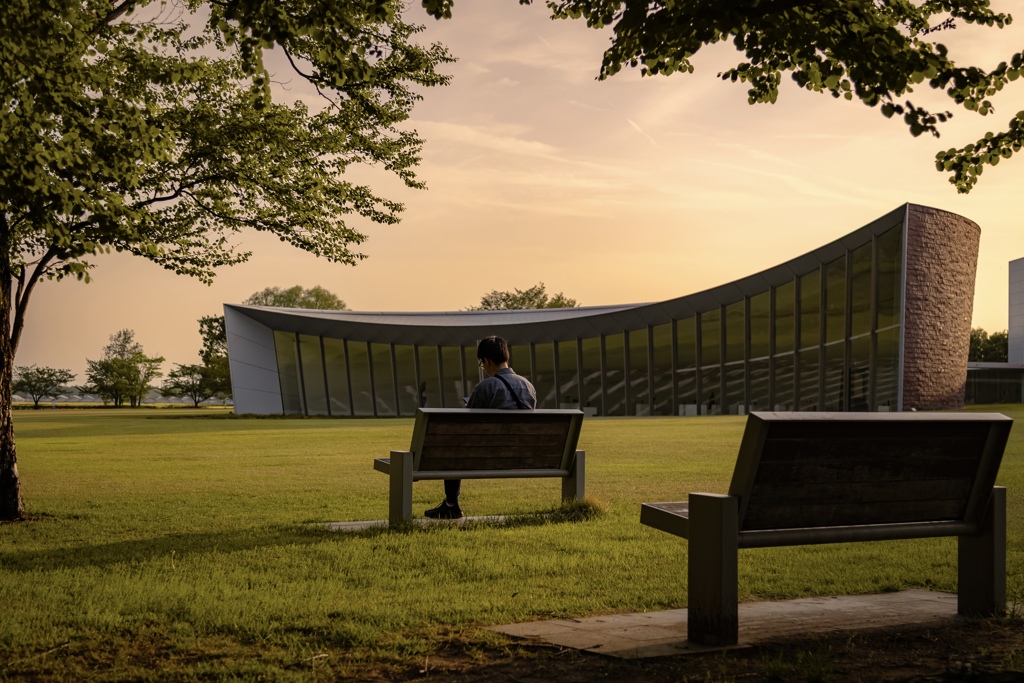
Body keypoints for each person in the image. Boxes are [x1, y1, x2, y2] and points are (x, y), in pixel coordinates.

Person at [423, 335, 536, 520]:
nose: (483, 368)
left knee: (451, 446)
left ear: (487, 360)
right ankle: (450, 505)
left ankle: (451, 505)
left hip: (485, 455)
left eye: (482, 364)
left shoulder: (486, 387)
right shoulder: (528, 386)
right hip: (523, 454)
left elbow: (467, 427)